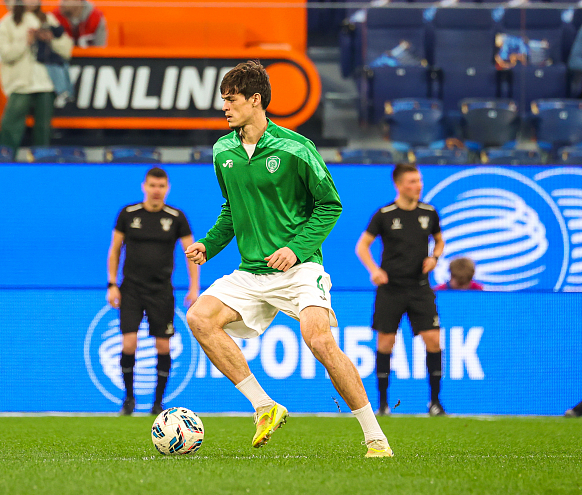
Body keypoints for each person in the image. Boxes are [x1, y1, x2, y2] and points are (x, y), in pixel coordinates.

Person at [184, 60, 393, 457]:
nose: (224, 107)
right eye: (223, 100)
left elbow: (330, 205)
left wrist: (295, 248)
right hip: (251, 273)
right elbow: (231, 209)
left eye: (231, 100)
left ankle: (375, 438)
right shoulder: (222, 150)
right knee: (199, 318)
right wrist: (209, 245)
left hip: (299, 269)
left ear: (255, 100)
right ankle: (264, 406)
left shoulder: (296, 148)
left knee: (319, 341)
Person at [106, 167, 200, 416]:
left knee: (163, 346)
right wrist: (112, 284)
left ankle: (158, 403)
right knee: (129, 343)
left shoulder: (176, 217)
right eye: (152, 185)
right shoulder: (128, 214)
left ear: (167, 188)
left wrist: (194, 287)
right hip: (131, 289)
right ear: (144, 187)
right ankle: (129, 399)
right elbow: (115, 249)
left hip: (161, 290)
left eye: (161, 186)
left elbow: (191, 253)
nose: (156, 190)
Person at [355, 163, 446, 417]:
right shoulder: (385, 214)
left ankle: (435, 402)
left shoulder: (429, 213)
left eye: (419, 181)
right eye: (412, 182)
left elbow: (439, 240)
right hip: (391, 289)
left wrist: (435, 257)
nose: (418, 186)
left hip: (420, 288)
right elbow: (362, 246)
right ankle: (383, 404)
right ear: (398, 185)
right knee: (386, 343)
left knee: (433, 340)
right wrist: (374, 270)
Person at [0, 0, 73, 157]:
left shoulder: (48, 19)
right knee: (11, 124)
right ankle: (5, 159)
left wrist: (51, 38)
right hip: (21, 84)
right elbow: (3, 53)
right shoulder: (8, 22)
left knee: (43, 128)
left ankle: (41, 161)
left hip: (46, 83)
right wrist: (25, 42)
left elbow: (67, 49)